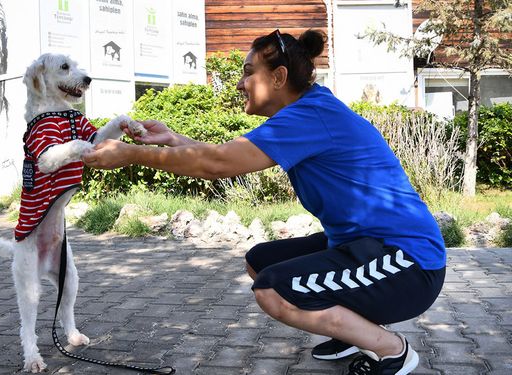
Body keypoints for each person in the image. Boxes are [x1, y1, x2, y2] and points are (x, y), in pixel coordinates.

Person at [83, 29, 446, 375]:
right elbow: (225, 156)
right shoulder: (310, 111)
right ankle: (352, 332)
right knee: (261, 262)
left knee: (273, 292)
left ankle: (392, 350)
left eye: (248, 73)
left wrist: (130, 154)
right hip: (367, 247)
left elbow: (218, 164)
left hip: (409, 264)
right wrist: (173, 139)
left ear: (278, 77)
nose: (240, 83)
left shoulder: (310, 116)